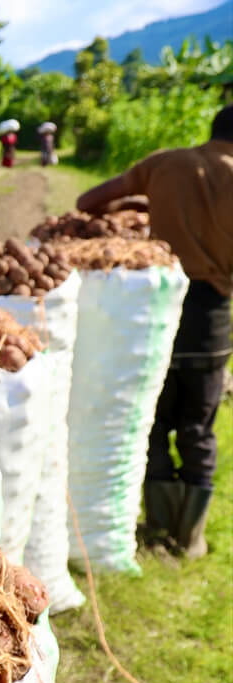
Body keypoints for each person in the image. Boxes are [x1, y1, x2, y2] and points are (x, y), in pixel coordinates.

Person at [76, 103, 233, 557]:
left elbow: (87, 202)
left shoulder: (167, 162)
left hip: (157, 311)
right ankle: (191, 538)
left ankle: (156, 526)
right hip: (212, 319)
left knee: (156, 419)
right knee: (198, 425)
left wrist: (142, 203)